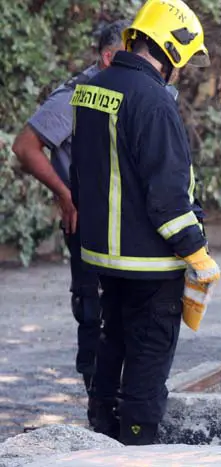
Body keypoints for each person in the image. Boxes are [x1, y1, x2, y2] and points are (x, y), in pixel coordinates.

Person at [69, 0, 220, 445]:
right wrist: (198, 254)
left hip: (104, 257)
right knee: (147, 367)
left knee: (111, 342)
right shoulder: (153, 101)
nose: (184, 70)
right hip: (151, 265)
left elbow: (86, 174)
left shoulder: (92, 87)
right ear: (172, 50)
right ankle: (137, 446)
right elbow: (168, 198)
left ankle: (100, 434)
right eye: (185, 60)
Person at [11, 20, 129, 425]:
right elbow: (25, 147)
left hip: (121, 228)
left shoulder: (128, 90)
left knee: (125, 317)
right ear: (109, 56)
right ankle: (99, 413)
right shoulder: (76, 95)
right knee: (94, 315)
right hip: (87, 227)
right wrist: (64, 194)